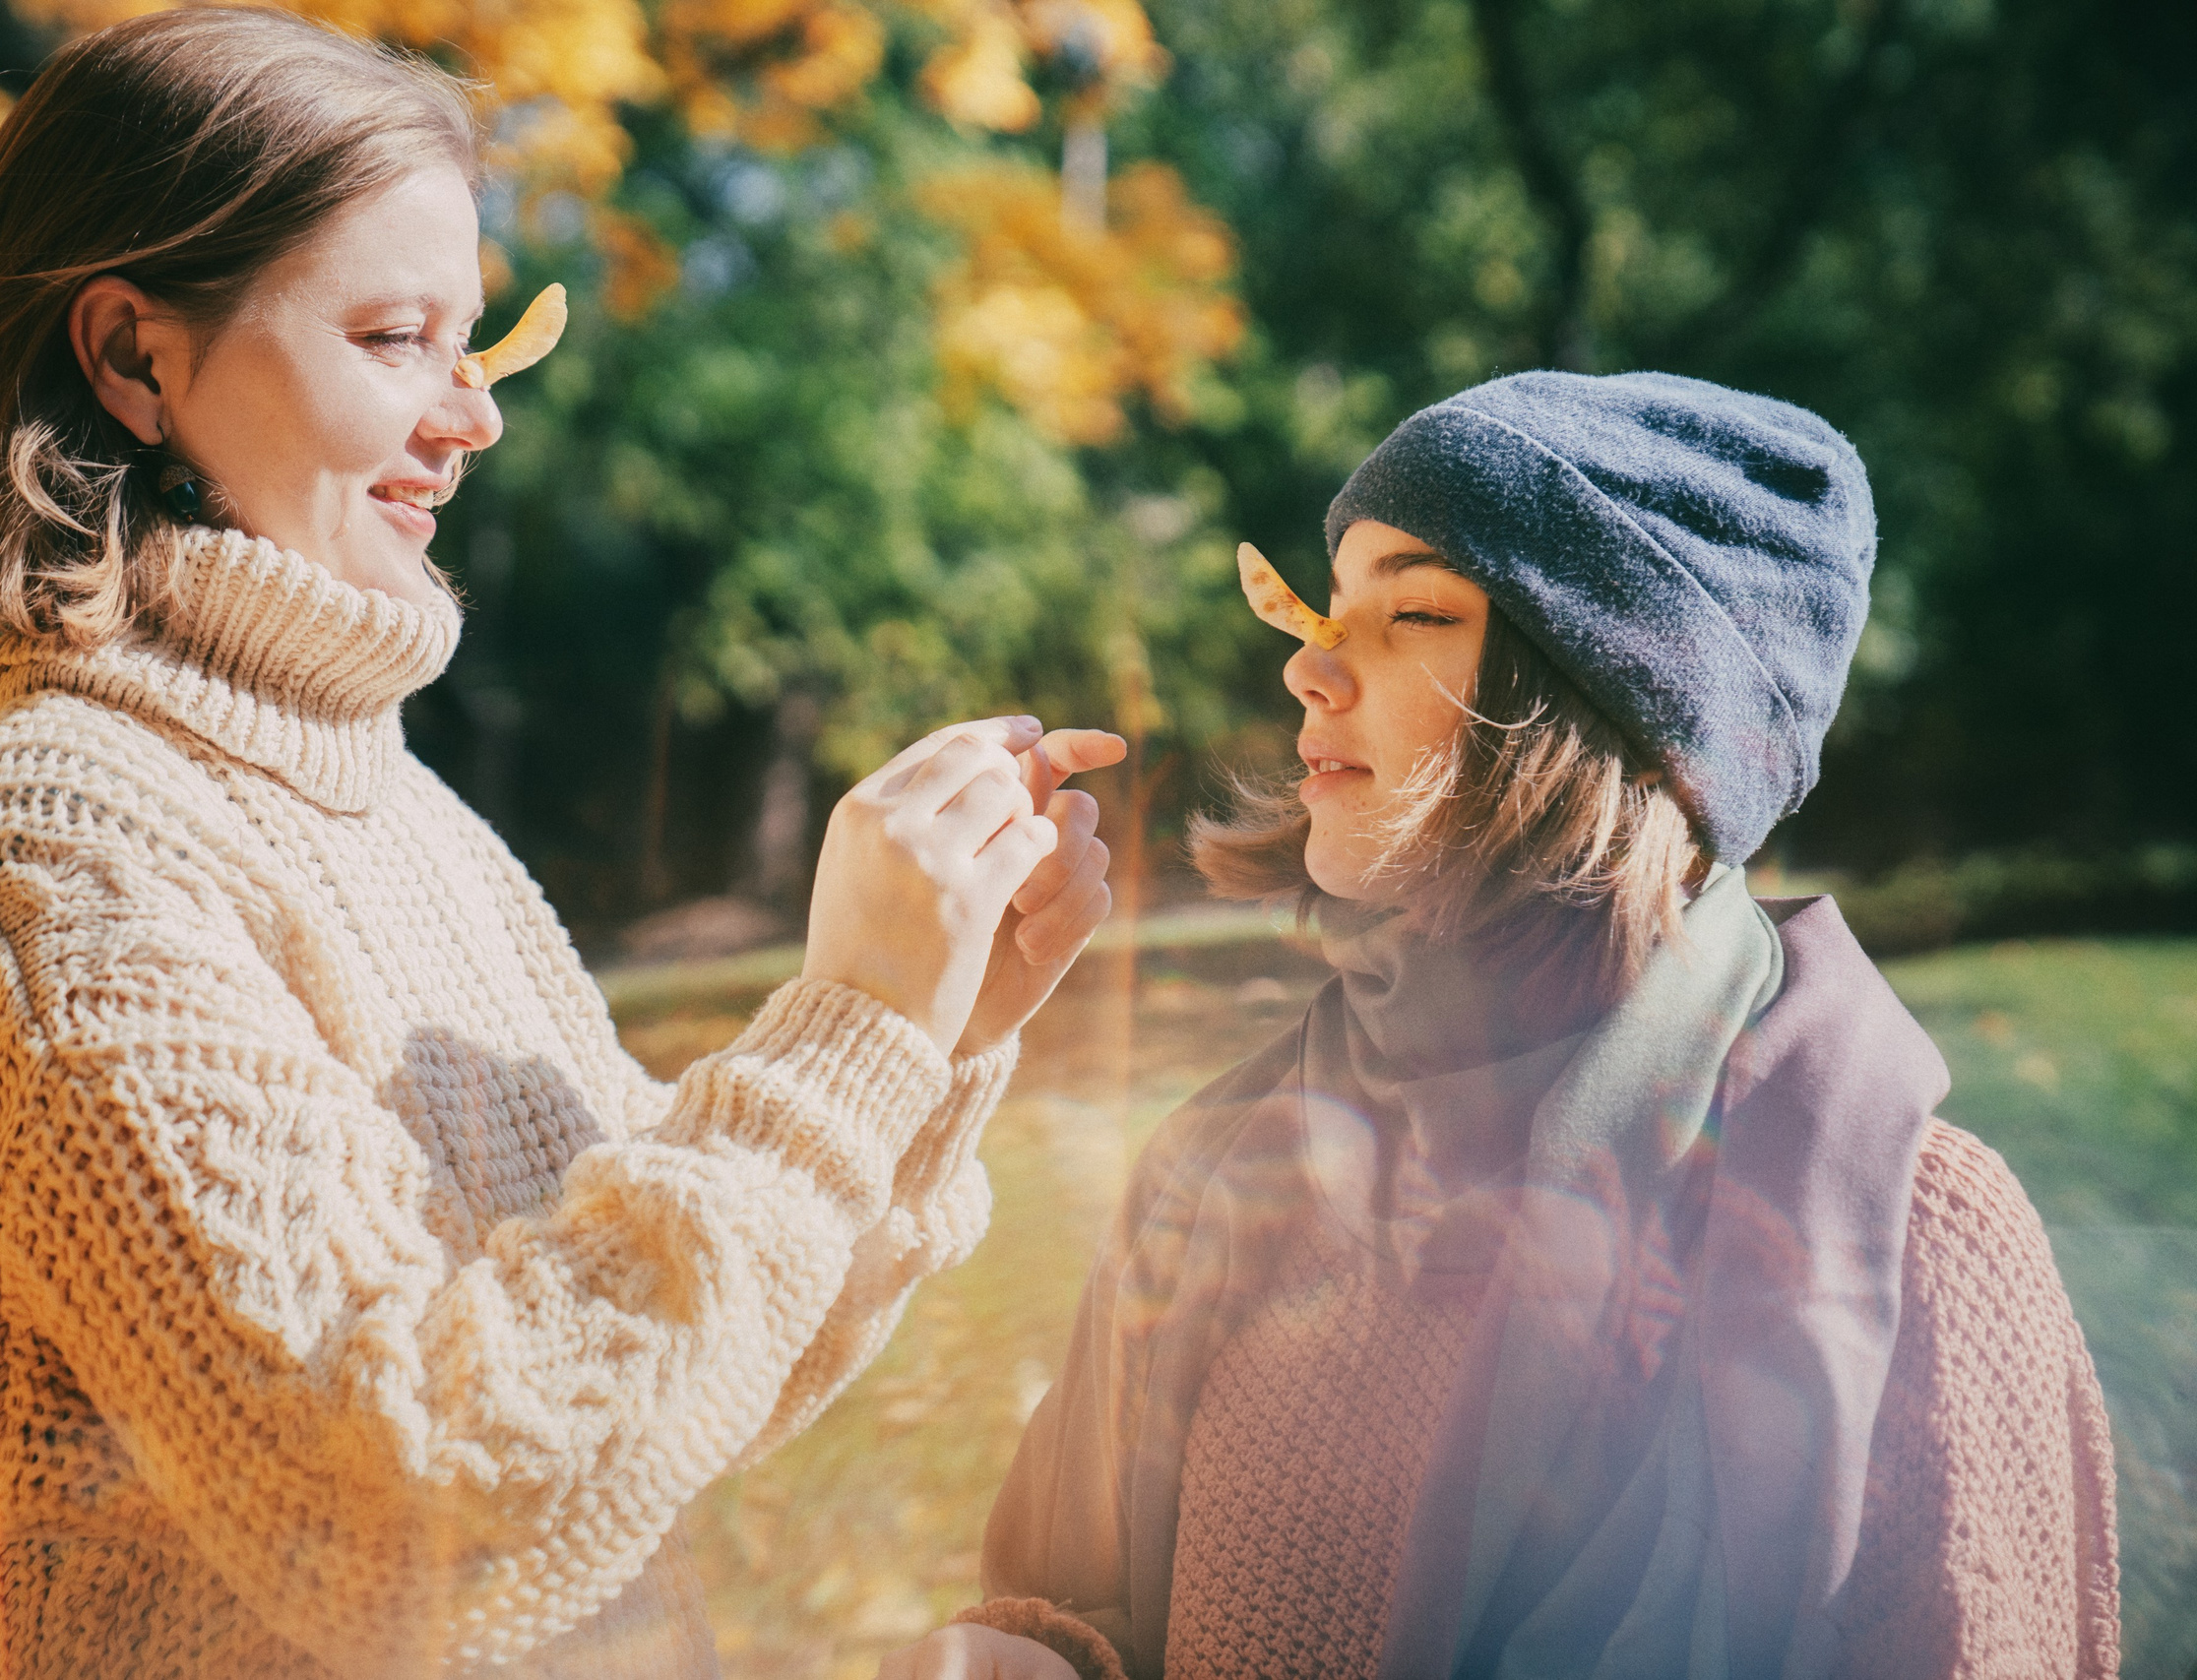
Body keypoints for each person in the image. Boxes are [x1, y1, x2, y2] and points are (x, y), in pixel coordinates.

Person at [0, 11, 1124, 1677]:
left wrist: (927, 1048)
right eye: (395, 337)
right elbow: (414, 1508)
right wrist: (846, 1040)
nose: (475, 420)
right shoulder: (57, 838)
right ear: (133, 359)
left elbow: (657, 1409)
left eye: (474, 344)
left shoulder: (411, 819)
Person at [880, 371, 2121, 1680]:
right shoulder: (1215, 1172)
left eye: (1412, 611)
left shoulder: (1914, 1241)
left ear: (1635, 708)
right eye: (1322, 609)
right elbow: (1067, 1610)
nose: (1308, 667)